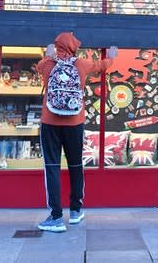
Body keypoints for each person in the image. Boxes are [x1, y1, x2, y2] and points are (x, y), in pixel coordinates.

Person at [36, 32, 117, 232]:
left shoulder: (48, 64)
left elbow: (39, 66)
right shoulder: (81, 65)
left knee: (52, 167)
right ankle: (75, 211)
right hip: (75, 123)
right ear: (74, 48)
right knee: (75, 165)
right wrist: (113, 56)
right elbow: (101, 66)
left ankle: (55, 217)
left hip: (50, 123)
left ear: (57, 47)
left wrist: (47, 55)